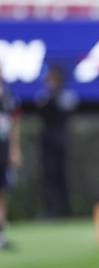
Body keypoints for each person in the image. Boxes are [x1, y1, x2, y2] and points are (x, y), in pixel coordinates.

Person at [36, 66, 77, 219]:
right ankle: (50, 210)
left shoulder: (66, 96)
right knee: (49, 176)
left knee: (62, 176)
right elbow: (41, 112)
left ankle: (65, 210)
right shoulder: (44, 96)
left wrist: (53, 96)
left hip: (61, 140)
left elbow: (66, 112)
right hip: (47, 141)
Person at [0, 63, 22, 250]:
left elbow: (14, 124)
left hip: (3, 149)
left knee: (2, 190)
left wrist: (14, 149)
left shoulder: (7, 96)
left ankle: (1, 233)